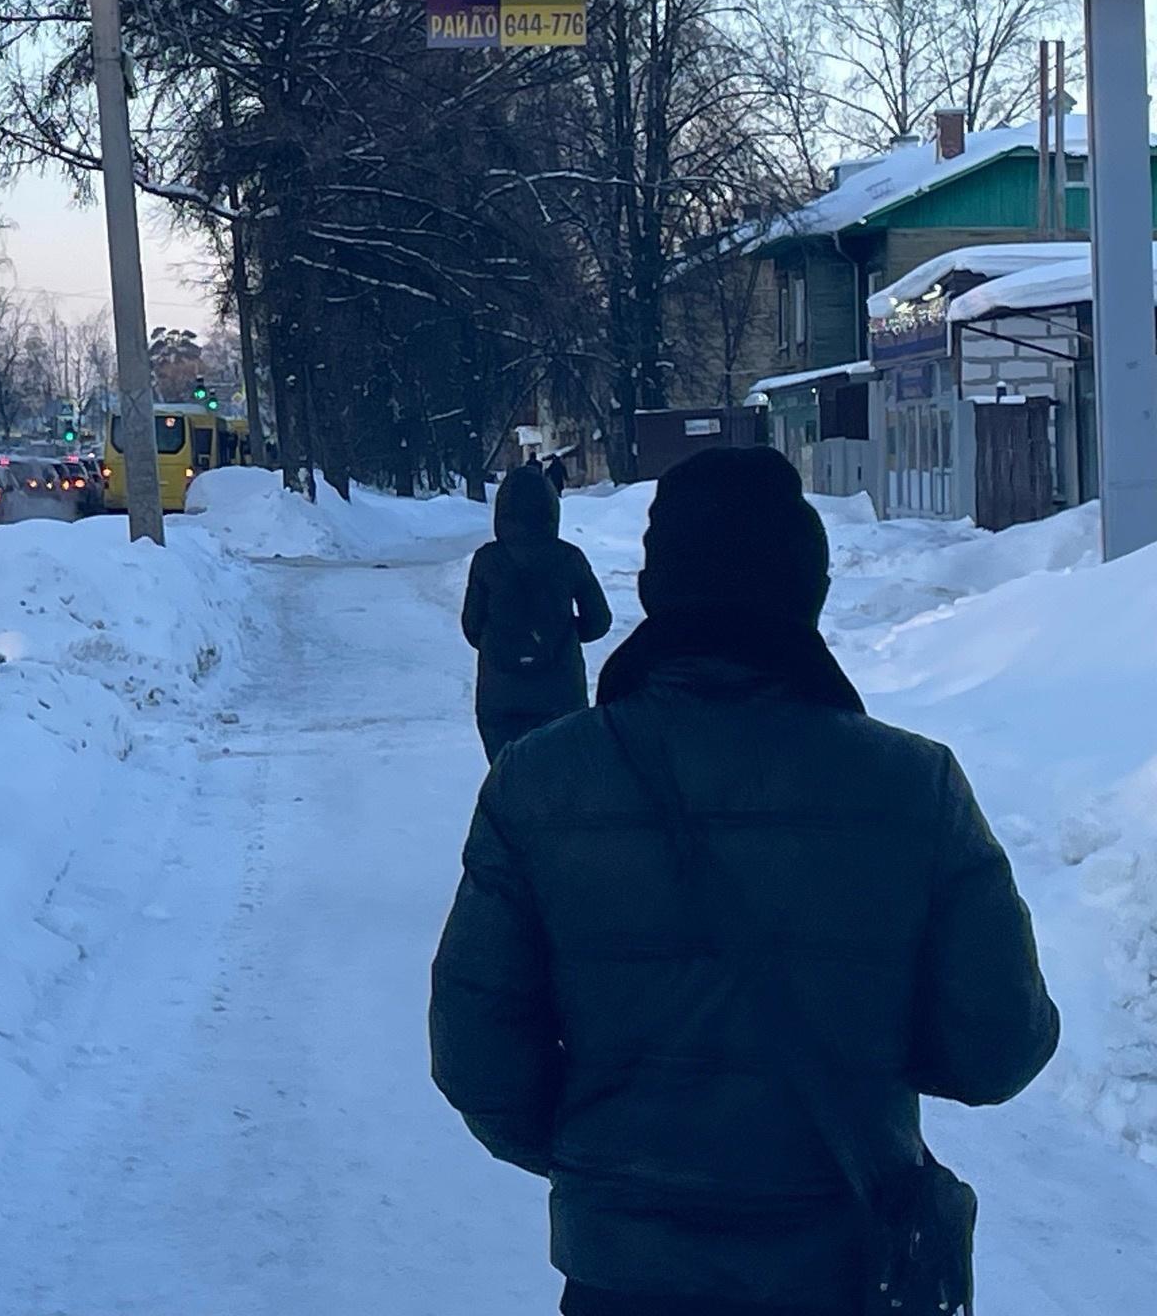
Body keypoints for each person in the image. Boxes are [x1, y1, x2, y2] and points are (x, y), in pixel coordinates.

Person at [429, 447, 1059, 1316]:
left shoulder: (539, 783)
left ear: (660, 591)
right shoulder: (915, 787)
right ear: (809, 589)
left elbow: (477, 1051)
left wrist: (604, 1159)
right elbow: (998, 1048)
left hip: (624, 1272)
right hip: (845, 1262)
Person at [460, 462, 611, 762]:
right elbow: (600, 621)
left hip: (500, 695)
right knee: (562, 780)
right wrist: (564, 633)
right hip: (561, 692)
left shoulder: (487, 560)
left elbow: (472, 626)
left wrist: (501, 641)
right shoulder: (569, 558)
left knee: (509, 778)